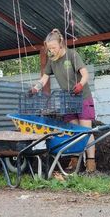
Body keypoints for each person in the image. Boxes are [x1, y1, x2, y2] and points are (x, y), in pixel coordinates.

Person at [30, 28, 96, 173]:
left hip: (82, 97)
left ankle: (91, 164)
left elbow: (85, 74)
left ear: (61, 44)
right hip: (68, 100)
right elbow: (44, 78)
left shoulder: (72, 55)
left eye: (53, 47)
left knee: (85, 131)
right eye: (49, 48)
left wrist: (80, 85)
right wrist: (36, 88)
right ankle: (76, 161)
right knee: (72, 131)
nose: (51, 51)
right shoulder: (52, 61)